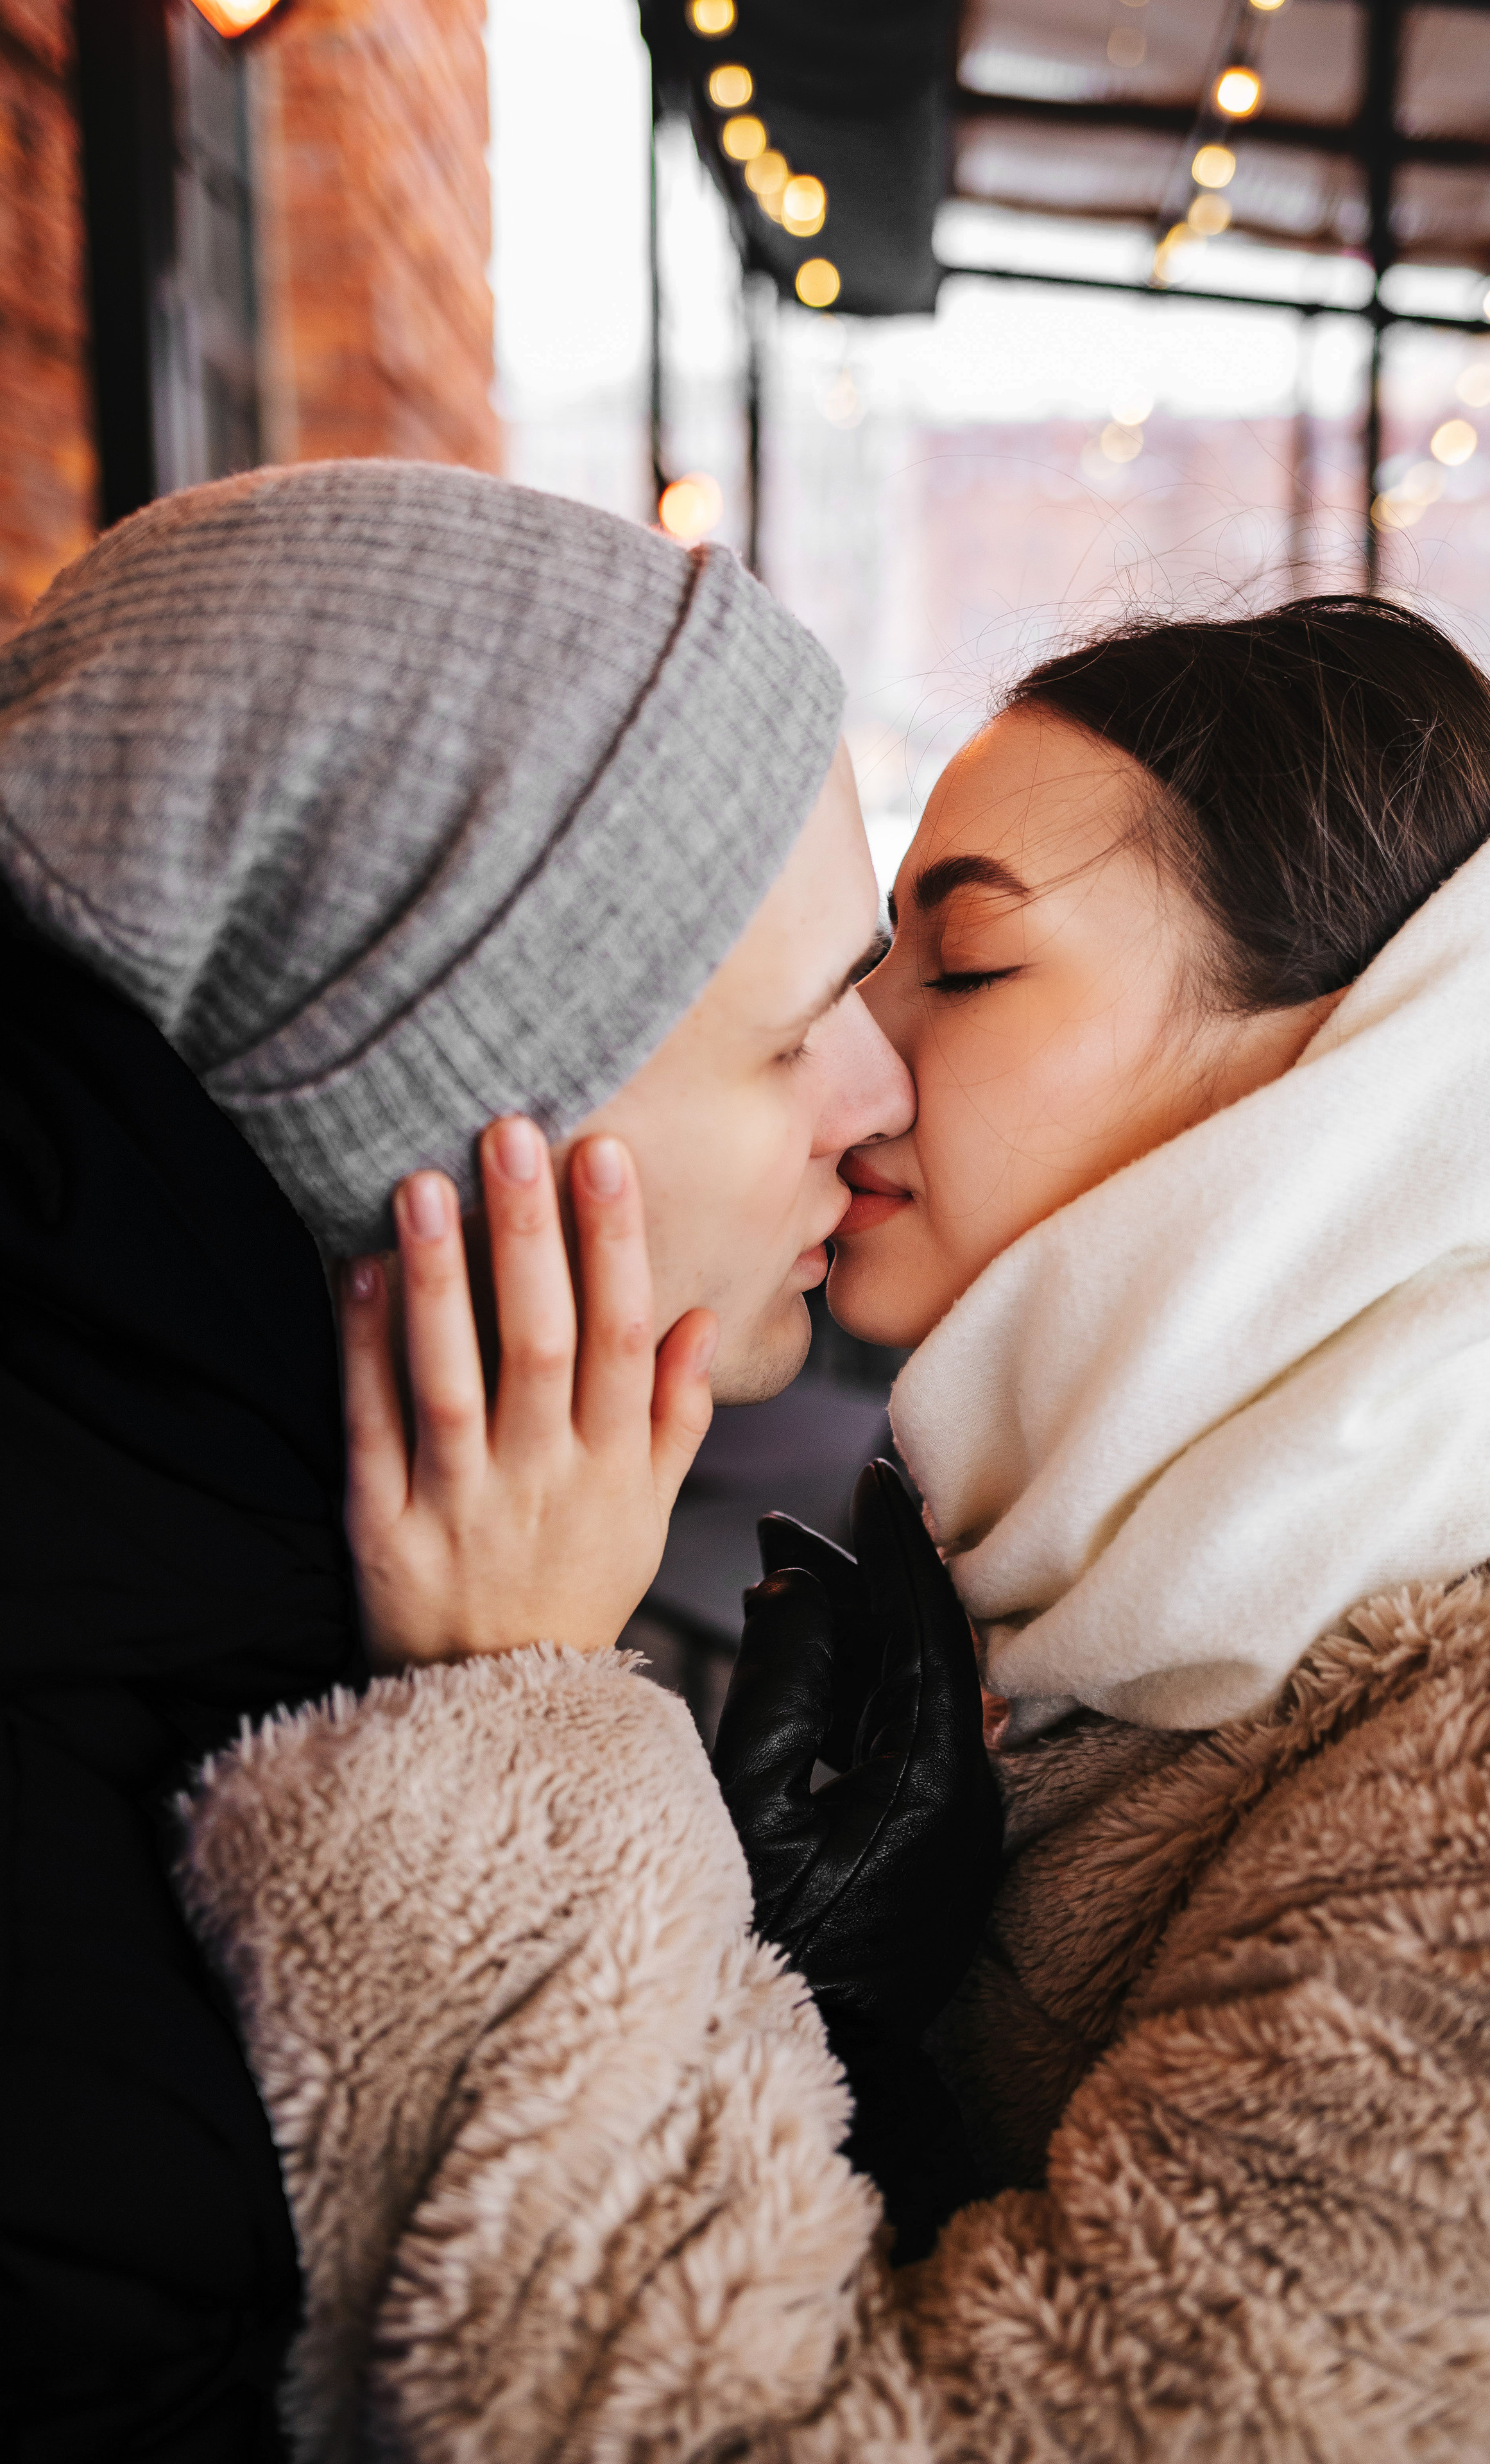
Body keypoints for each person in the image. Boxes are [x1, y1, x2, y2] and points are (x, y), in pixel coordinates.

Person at [181, 592, 1490, 2461]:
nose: (854, 1069)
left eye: (959, 973)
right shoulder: (1108, 1597)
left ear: (1345, 1087)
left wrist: (516, 1711)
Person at [0, 457, 918, 2459]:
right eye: (799, 1035)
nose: (887, 1103)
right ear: (453, 1119)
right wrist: (520, 1732)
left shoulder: (194, 1515)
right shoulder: (62, 1942)